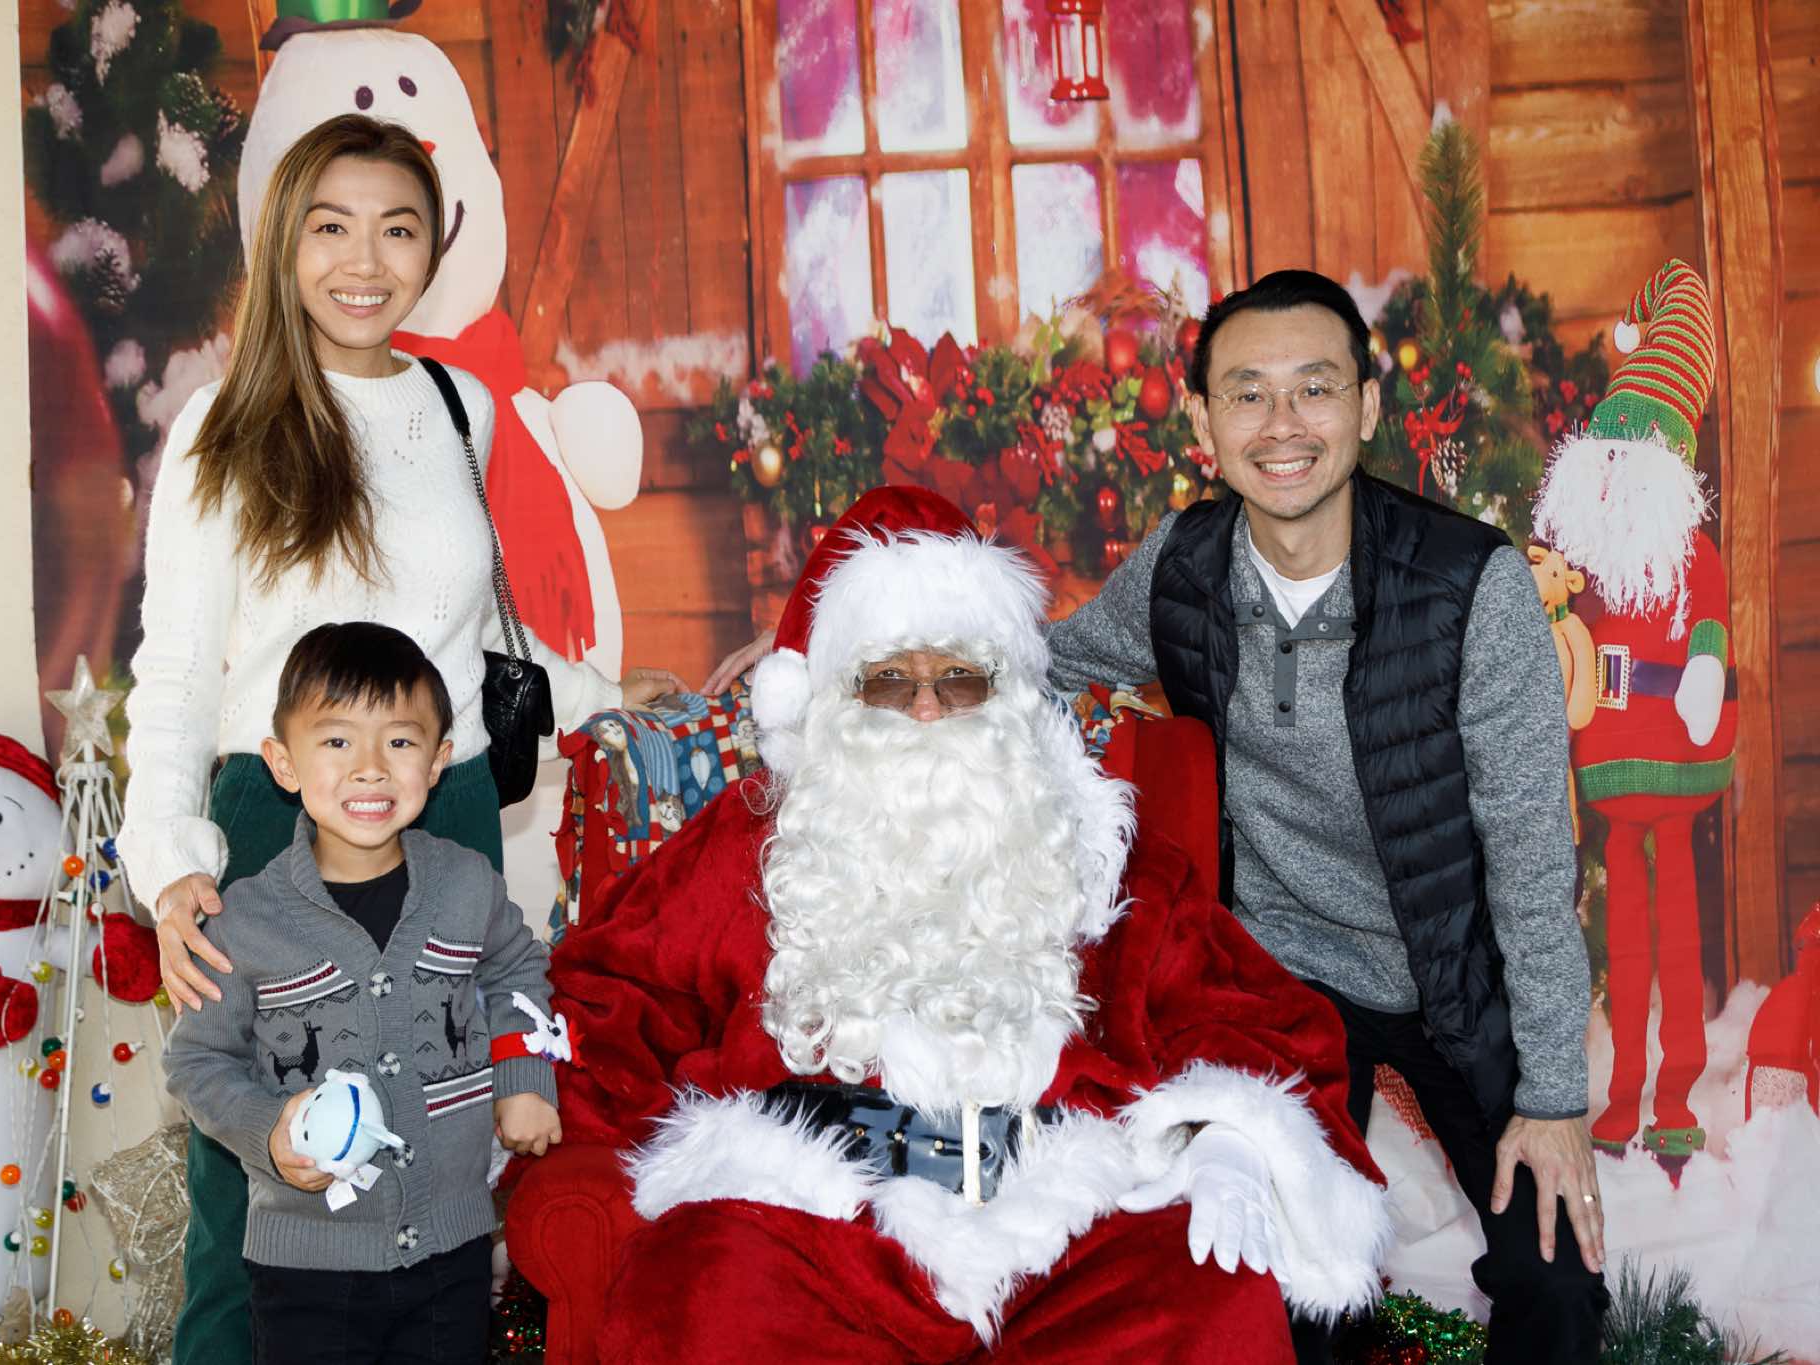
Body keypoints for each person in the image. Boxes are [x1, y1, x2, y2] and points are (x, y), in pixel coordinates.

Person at [546, 488, 1391, 1363]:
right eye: (889, 679)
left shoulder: (1092, 844)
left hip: (1061, 1222)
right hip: (811, 1221)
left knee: (1209, 1299)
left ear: (1006, 691)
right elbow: (606, 992)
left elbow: (1246, 1007)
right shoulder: (762, 836)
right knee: (700, 1289)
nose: (926, 708)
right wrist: (669, 1151)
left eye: (959, 678)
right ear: (836, 697)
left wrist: (1232, 1141)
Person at [118, 113, 680, 1365]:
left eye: (396, 229)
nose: (363, 261)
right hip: (279, 824)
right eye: (331, 227)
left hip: (449, 807)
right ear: (284, 241)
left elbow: (458, 636)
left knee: (431, 1164)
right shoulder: (225, 421)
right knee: (262, 1185)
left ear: (434, 247)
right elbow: (176, 672)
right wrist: (168, 864)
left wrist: (603, 691)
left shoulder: (457, 402)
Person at [1044, 270, 1609, 1362]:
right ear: (1203, 422)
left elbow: (1532, 866)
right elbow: (1042, 659)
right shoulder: (1182, 568)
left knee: (1554, 1281)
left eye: (1314, 388)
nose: (1282, 425)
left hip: (1453, 969)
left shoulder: (1470, 588)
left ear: (1365, 406)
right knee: (1285, 1282)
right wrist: (871, 647)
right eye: (1247, 394)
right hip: (1281, 973)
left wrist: (1551, 1100)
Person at [164, 622, 562, 1365]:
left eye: (400, 742)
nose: (371, 768)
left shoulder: (467, 885)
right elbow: (196, 1063)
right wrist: (269, 1133)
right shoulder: (243, 920)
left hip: (452, 1252)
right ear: (284, 763)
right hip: (305, 1271)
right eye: (338, 741)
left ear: (439, 761)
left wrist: (523, 1075)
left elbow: (518, 970)